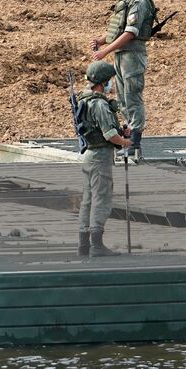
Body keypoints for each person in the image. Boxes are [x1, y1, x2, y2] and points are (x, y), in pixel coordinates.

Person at [91, 0, 155, 162]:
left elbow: (130, 33)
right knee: (122, 98)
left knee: (132, 96)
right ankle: (128, 141)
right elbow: (117, 29)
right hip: (121, 54)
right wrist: (101, 41)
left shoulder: (139, 3)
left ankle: (135, 144)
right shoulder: (125, 1)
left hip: (132, 55)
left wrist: (105, 51)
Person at [77, 60, 132, 257]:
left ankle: (83, 245)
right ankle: (97, 245)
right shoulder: (99, 104)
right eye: (108, 80)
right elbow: (109, 135)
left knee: (88, 200)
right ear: (102, 82)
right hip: (100, 156)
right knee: (101, 199)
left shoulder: (83, 100)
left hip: (89, 155)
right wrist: (126, 142)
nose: (110, 84)